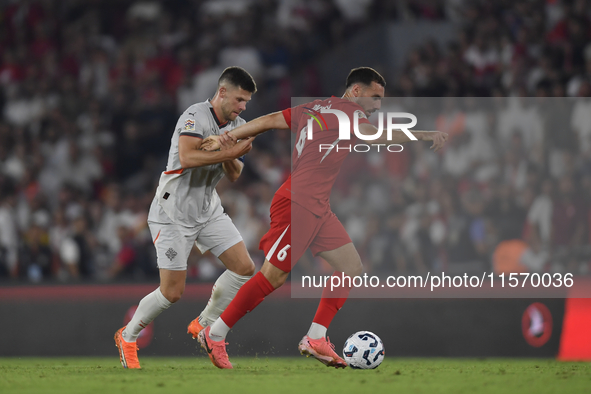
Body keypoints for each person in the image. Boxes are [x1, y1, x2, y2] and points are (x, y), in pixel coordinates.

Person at [197, 67, 449, 369]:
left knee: (351, 266)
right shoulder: (348, 113)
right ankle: (215, 333)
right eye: (375, 97)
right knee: (272, 277)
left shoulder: (314, 108)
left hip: (317, 206)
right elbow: (376, 137)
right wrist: (423, 134)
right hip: (298, 203)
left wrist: (227, 136)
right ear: (356, 91)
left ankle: (316, 337)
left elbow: (266, 121)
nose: (378, 105)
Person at [114, 66, 259, 369]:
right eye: (239, 100)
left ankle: (204, 324)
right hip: (172, 212)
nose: (243, 107)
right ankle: (127, 336)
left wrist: (227, 150)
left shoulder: (240, 123)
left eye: (246, 102)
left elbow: (235, 175)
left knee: (245, 269)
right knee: (172, 292)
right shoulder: (194, 116)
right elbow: (189, 157)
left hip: (207, 208)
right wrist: (223, 147)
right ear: (222, 93)